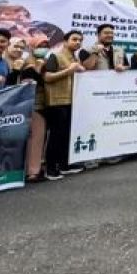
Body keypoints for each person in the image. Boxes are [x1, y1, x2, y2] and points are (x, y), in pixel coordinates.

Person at [42, 30, 89, 179]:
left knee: (66, 135)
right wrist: (69, 70)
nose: (77, 42)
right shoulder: (55, 56)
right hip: (56, 101)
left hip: (70, 100)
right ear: (65, 40)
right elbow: (47, 77)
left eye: (80, 40)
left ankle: (64, 165)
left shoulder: (74, 57)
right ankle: (50, 169)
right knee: (56, 135)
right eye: (74, 39)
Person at [9, 39, 49, 183]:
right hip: (23, 106)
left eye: (46, 46)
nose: (43, 49)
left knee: (36, 139)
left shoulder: (43, 62)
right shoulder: (25, 63)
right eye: (40, 46)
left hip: (38, 105)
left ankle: (33, 171)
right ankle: (26, 171)